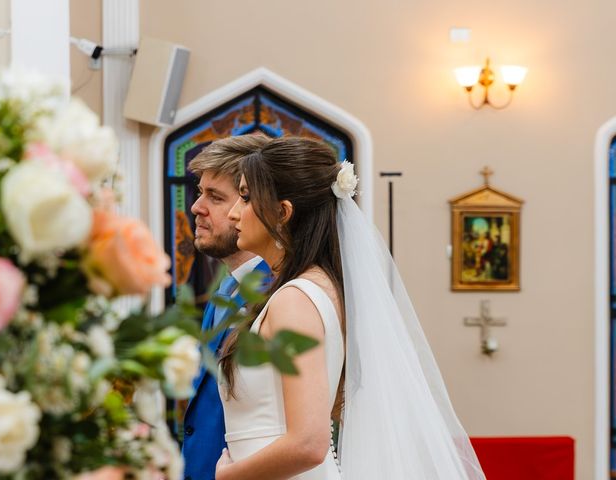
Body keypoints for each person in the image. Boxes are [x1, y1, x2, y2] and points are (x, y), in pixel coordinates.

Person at [214, 137, 486, 479]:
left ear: (282, 212)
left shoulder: (295, 301)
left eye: (245, 197)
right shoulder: (315, 288)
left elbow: (308, 443)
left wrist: (227, 476)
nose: (233, 213)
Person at [181, 134, 271, 480]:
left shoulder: (279, 295)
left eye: (215, 197)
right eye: (200, 192)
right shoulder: (227, 286)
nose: (196, 207)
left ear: (254, 206)